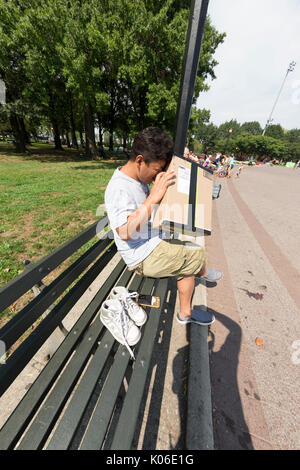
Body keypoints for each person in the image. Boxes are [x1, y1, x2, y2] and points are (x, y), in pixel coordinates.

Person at [104, 127, 222, 336]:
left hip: (152, 241)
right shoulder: (119, 188)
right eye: (157, 170)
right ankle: (186, 313)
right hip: (141, 257)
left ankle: (200, 273)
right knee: (195, 255)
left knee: (190, 248)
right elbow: (124, 232)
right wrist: (154, 197)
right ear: (140, 160)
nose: (157, 176)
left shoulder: (138, 179)